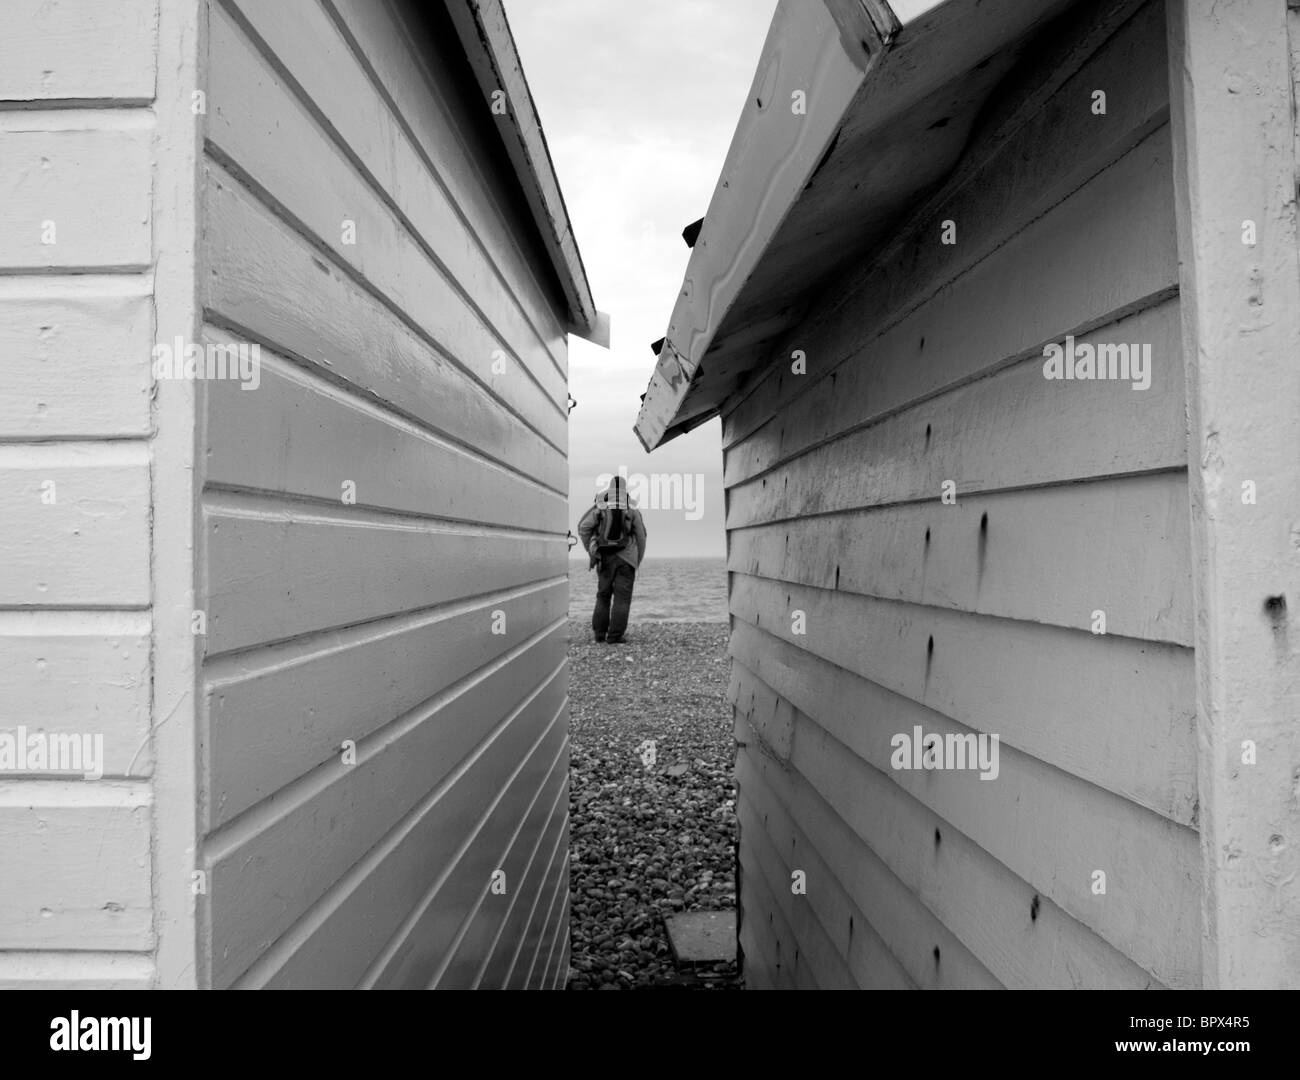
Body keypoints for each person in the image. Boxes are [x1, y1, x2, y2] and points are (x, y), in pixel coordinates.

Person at [577, 474, 647, 644]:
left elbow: (583, 527)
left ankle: (600, 634)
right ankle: (615, 636)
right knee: (622, 598)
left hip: (605, 557)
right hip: (627, 559)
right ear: (624, 489)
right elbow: (641, 536)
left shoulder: (600, 506)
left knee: (603, 595)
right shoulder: (631, 508)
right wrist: (637, 560)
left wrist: (592, 550)